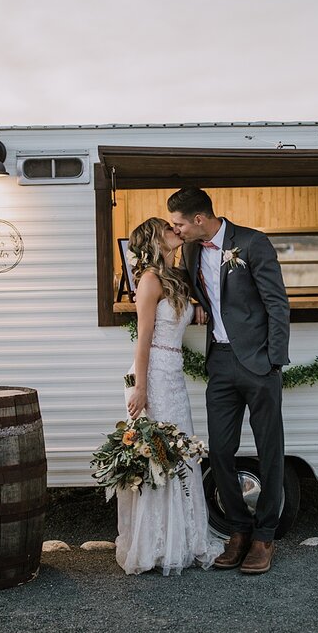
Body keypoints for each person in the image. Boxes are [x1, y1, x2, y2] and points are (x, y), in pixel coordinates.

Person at [167, 187, 290, 575]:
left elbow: (277, 303)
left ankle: (265, 535)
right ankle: (238, 530)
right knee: (220, 450)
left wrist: (273, 360)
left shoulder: (252, 243)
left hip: (258, 364)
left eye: (179, 223)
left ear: (199, 220)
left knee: (270, 450)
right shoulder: (189, 250)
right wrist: (199, 303)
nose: (177, 229)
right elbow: (190, 288)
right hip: (219, 363)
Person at [115, 217, 225, 576]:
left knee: (181, 453)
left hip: (173, 373)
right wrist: (141, 388)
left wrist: (195, 309)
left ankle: (185, 537)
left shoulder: (173, 279)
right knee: (160, 455)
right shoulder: (147, 280)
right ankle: (156, 545)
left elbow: (174, 316)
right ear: (154, 239)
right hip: (155, 375)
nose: (175, 231)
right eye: (168, 228)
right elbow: (143, 337)